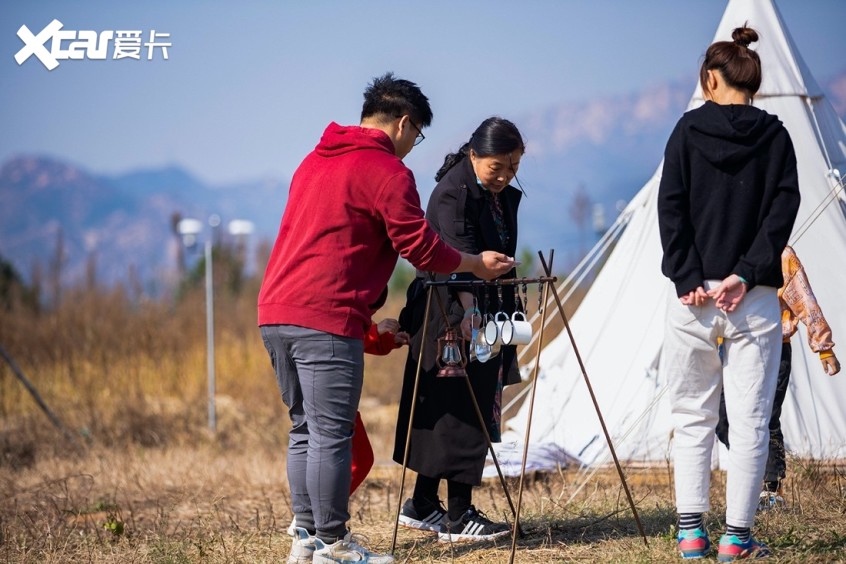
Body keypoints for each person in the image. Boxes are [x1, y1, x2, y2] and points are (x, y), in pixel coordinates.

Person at [258, 73, 515, 564]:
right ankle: (333, 544)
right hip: (325, 317)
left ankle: (306, 541)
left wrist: (371, 330)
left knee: (305, 431)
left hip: (276, 312)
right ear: (403, 123)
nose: (412, 148)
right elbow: (416, 245)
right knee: (331, 435)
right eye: (416, 136)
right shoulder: (385, 170)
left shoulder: (312, 162)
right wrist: (473, 263)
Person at [657, 27, 801, 561]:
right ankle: (736, 539)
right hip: (754, 297)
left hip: (692, 300)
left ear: (709, 79)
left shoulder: (686, 132)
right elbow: (782, 212)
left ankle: (691, 534)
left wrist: (687, 276)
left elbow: (670, 208)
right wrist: (746, 271)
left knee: (692, 415)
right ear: (754, 84)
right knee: (750, 421)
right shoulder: (777, 137)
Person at [392, 117, 525, 543]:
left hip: (483, 309)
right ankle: (459, 515)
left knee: (459, 406)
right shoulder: (452, 194)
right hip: (451, 315)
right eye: (497, 167)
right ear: (473, 154)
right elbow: (455, 260)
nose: (505, 176)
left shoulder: (492, 193)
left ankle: (424, 503)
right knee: (460, 410)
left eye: (514, 166)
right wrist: (470, 311)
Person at [715, 245, 840, 510]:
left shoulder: (780, 253)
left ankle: (772, 489)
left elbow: (804, 298)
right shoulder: (723, 246)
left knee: (766, 416)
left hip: (773, 344)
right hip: (729, 347)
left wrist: (823, 347)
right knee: (722, 416)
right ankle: (751, 473)